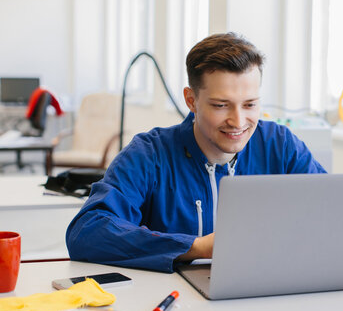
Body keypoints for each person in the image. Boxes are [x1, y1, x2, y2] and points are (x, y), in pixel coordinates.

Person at [66, 33, 326, 273]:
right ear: (191, 101)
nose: (238, 121)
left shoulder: (280, 145)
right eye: (221, 105)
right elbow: (87, 232)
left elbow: (331, 211)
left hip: (267, 294)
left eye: (250, 105)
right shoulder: (149, 154)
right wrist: (197, 247)